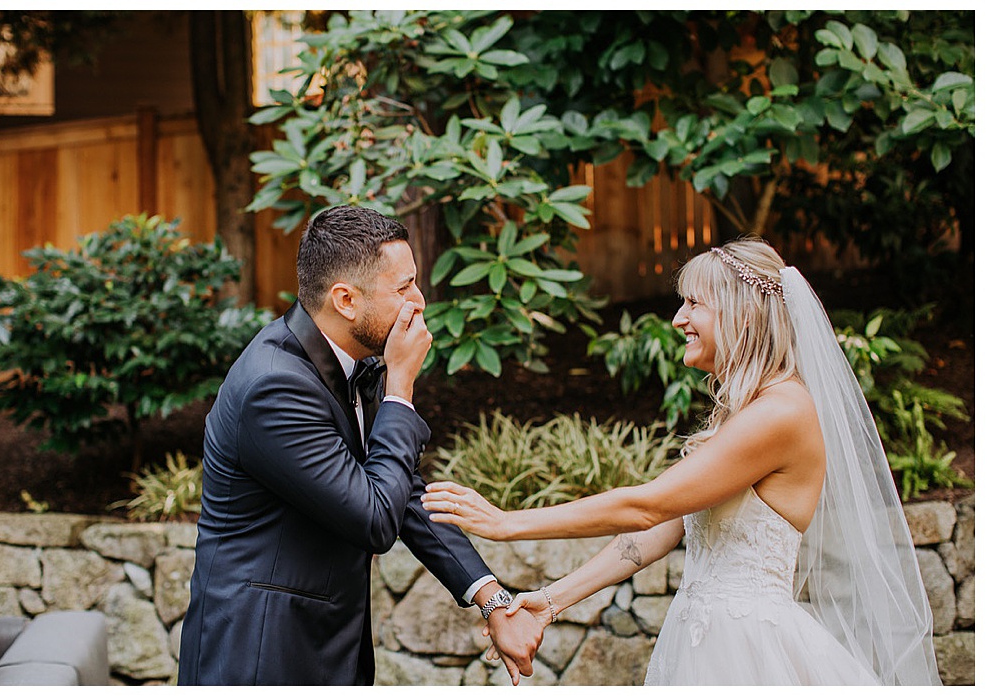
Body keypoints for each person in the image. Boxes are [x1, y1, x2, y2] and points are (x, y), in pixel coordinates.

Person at [423, 238, 940, 685]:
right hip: (702, 638)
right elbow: (660, 530)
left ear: (741, 312)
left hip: (748, 650)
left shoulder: (782, 413)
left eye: (694, 304)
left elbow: (647, 505)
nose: (679, 319)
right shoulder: (747, 412)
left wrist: (507, 524)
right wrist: (552, 600)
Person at [178, 205, 542, 686]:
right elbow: (373, 519)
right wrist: (400, 390)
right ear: (346, 300)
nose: (420, 302)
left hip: (327, 643)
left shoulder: (346, 362)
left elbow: (400, 488)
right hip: (261, 652)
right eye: (403, 288)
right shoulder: (274, 387)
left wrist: (490, 597)